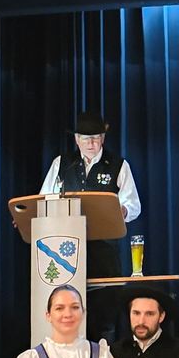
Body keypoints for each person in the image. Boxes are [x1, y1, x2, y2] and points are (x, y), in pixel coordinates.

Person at [40, 110, 141, 278]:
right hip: (66, 246)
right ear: (77, 139)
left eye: (95, 138)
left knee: (106, 296)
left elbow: (134, 205)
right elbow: (44, 200)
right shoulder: (61, 163)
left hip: (105, 248)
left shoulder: (118, 165)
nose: (91, 144)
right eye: (86, 138)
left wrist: (123, 210)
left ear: (103, 138)